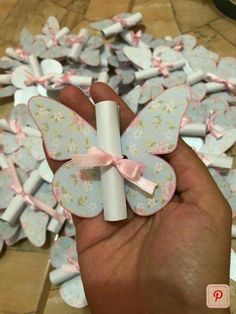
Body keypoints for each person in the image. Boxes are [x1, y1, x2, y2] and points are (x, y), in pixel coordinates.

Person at [46, 83, 232, 314]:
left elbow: (214, 298)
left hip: (138, 176)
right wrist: (212, 308)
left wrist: (208, 308)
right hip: (99, 180)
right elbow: (215, 298)